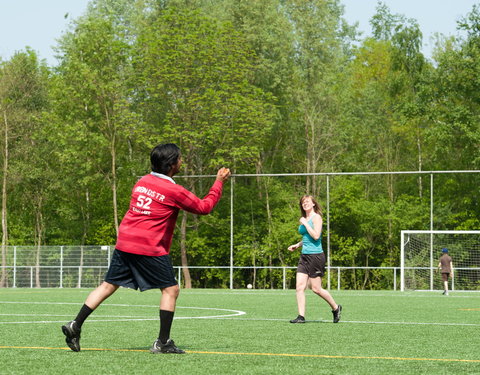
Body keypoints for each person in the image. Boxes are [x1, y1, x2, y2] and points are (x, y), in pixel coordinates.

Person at [61, 143, 231, 354]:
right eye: (179, 159)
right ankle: (162, 342)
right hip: (147, 245)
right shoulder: (174, 190)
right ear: (171, 164)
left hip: (125, 241)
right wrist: (218, 182)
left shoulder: (142, 181)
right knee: (171, 290)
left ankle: (75, 324)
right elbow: (204, 207)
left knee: (107, 286)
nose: (182, 162)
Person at [287, 195, 342, 324]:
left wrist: (305, 223)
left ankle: (335, 308)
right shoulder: (305, 218)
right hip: (304, 256)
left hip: (316, 256)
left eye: (307, 202)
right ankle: (301, 316)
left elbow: (316, 236)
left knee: (316, 289)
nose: (304, 204)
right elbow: (307, 237)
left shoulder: (316, 218)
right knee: (299, 287)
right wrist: (297, 245)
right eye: (302, 202)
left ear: (313, 204)